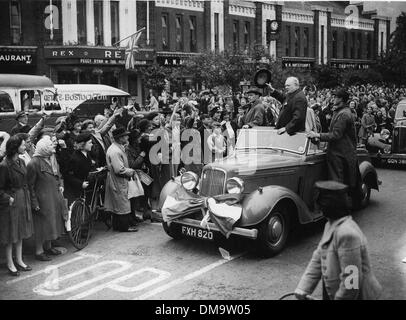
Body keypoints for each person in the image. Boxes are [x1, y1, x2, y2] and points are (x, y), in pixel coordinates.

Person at [295, 180, 382, 300]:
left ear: (328, 206)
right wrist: (303, 288)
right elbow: (319, 256)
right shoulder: (331, 224)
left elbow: (351, 283)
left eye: (320, 204)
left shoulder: (347, 234)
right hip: (334, 290)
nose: (318, 207)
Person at [307, 89, 362, 207]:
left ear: (341, 99)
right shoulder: (341, 111)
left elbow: (336, 135)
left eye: (335, 96)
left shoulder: (344, 114)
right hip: (339, 151)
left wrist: (317, 135)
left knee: (337, 181)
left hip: (340, 153)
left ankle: (339, 210)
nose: (333, 99)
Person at [27, 136, 65, 261]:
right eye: (49, 145)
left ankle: (48, 247)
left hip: (51, 197)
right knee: (40, 226)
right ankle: (39, 251)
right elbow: (30, 186)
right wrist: (34, 203)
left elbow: (56, 176)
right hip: (42, 200)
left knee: (50, 223)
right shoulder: (34, 163)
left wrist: (59, 186)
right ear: (43, 148)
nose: (52, 146)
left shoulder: (48, 159)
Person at [0, 135, 34, 276]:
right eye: (23, 145)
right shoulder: (4, 165)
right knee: (10, 234)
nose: (25, 147)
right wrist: (8, 198)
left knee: (19, 232)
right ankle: (10, 263)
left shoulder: (20, 161)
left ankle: (19, 260)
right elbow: (0, 188)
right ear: (15, 147)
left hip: (22, 198)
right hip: (11, 202)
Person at [104, 127, 138, 232]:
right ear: (119, 138)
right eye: (125, 136)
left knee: (119, 203)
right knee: (122, 203)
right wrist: (131, 171)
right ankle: (124, 227)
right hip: (119, 180)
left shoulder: (117, 148)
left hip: (117, 180)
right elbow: (119, 170)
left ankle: (118, 226)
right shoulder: (115, 151)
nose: (127, 137)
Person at [64, 133, 96, 205]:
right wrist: (80, 183)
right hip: (77, 193)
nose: (92, 145)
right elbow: (68, 176)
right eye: (90, 143)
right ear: (83, 144)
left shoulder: (87, 154)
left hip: (87, 190)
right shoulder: (74, 158)